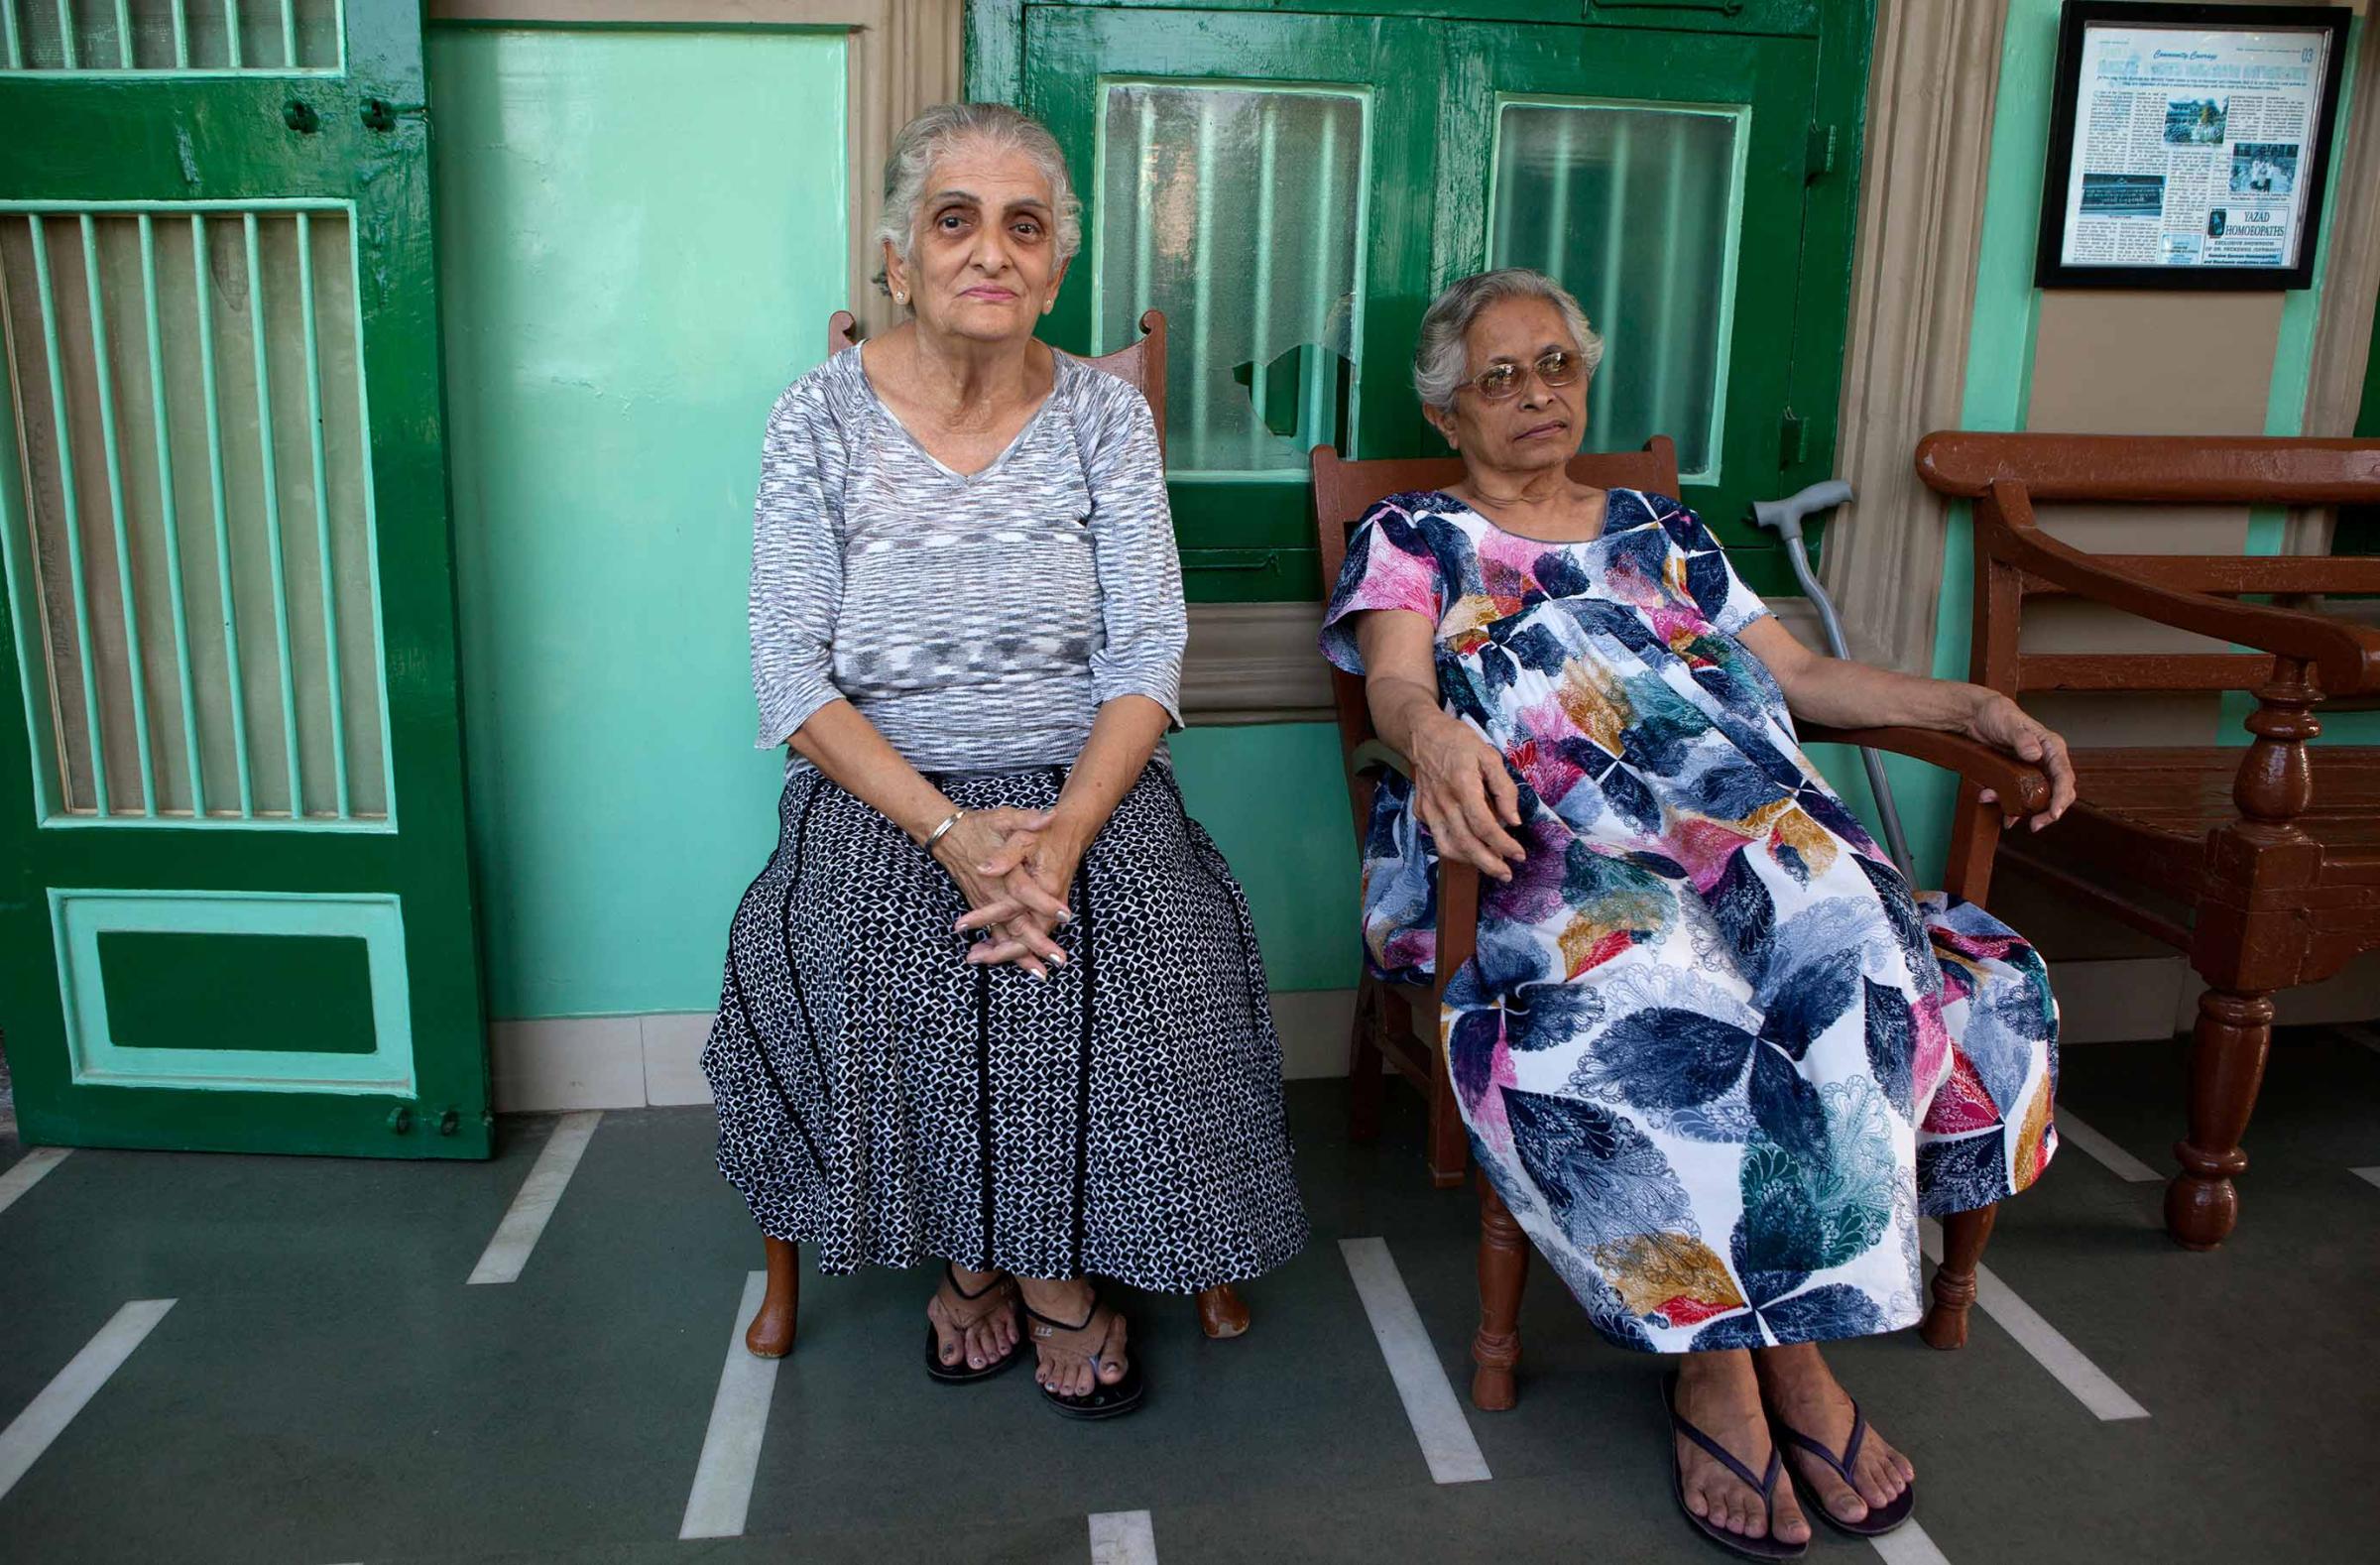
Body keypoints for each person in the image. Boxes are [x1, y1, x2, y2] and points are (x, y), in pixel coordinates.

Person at [1321, 269, 2069, 1556]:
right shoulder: (1412, 535)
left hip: (1731, 815)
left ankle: (1793, 1343)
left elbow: (1805, 679)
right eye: (1499, 377)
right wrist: (1436, 736)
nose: (1538, 393)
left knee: (1850, 949)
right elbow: (1394, 689)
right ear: (1449, 415)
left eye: (1556, 362)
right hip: (1539, 833)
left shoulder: (1667, 530)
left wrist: (1970, 707)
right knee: (1653, 986)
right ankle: (1727, 1366)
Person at [701, 102, 1308, 1421]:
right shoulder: (815, 420)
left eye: (1023, 225)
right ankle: (992, 1250)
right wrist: (956, 834)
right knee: (867, 927)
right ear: (897, 258)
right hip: (884, 778)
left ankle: (1023, 1257)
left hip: (1077, 770)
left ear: (1057, 260)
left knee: (1148, 926)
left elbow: (1149, 649)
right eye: (955, 220)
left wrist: (1063, 833)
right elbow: (790, 675)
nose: (991, 251)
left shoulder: (1102, 419)